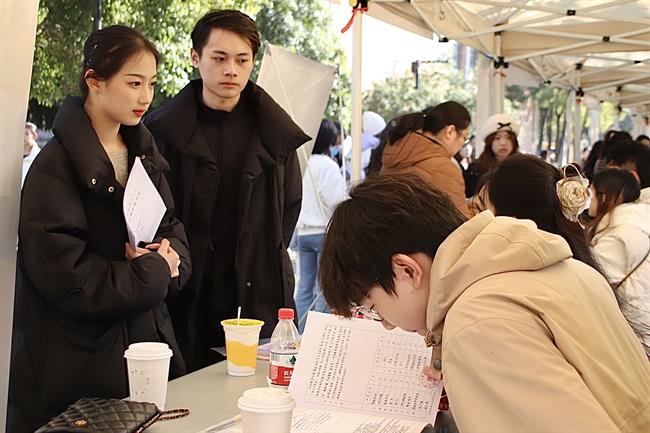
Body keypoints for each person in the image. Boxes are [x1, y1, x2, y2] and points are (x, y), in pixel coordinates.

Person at [319, 173, 650, 433]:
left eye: (373, 308)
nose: (388, 324)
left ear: (406, 271)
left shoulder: (476, 322)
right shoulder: (553, 267)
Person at [8, 25, 191, 433]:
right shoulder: (53, 168)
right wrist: (155, 270)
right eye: (134, 83)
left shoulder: (145, 155)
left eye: (151, 84)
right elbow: (68, 277)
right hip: (78, 371)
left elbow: (173, 231)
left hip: (145, 350)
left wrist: (168, 258)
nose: (146, 97)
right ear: (95, 81)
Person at [145, 9, 309, 371]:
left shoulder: (275, 133)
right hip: (186, 285)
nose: (231, 70)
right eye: (219, 58)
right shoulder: (162, 132)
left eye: (242, 59)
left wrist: (259, 249)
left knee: (258, 387)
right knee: (183, 386)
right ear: (195, 57)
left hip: (259, 283)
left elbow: (289, 207)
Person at [478, 154, 603, 275]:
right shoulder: (586, 272)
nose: (476, 218)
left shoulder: (503, 280)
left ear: (513, 220)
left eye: (481, 210)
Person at [587, 168, 650, 356]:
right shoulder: (636, 223)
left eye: (591, 192)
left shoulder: (620, 235)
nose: (587, 198)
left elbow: (592, 277)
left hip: (635, 330)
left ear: (604, 196)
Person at [295, 119, 347, 332]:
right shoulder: (327, 165)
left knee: (304, 287)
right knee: (325, 287)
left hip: (303, 232)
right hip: (323, 231)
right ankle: (317, 333)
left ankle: (299, 331)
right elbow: (336, 199)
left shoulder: (301, 162)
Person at [380, 101, 471, 217]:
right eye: (465, 138)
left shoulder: (398, 151)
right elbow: (461, 222)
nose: (463, 144)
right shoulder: (444, 168)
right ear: (450, 132)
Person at [464, 113, 518, 198]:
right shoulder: (475, 169)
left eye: (508, 138)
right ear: (489, 142)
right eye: (497, 138)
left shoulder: (523, 167)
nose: (503, 143)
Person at [22, 122, 40, 187]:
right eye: (22, 133)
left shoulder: (39, 157)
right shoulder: (13, 154)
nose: (23, 136)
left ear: (34, 136)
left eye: (27, 134)